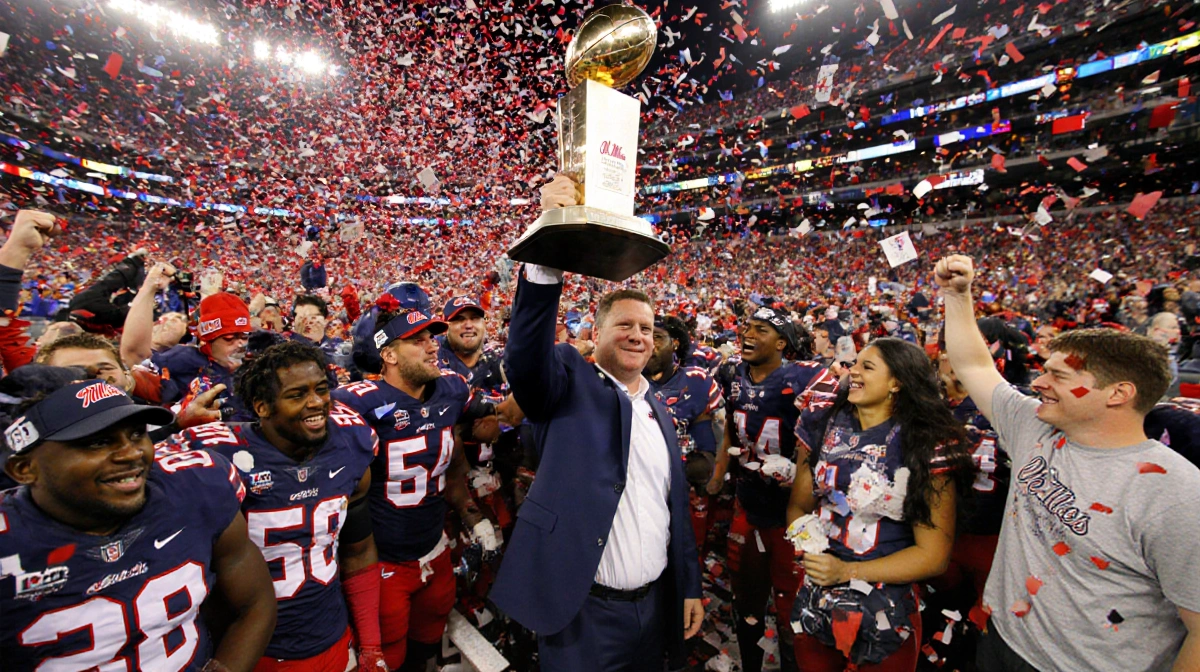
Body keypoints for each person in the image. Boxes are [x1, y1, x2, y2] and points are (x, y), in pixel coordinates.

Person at [935, 254, 1200, 672]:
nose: (1038, 382)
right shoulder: (1034, 426)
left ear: (1118, 394)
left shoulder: (1176, 492)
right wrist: (957, 295)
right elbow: (973, 364)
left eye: (1059, 376)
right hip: (1003, 639)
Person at [490, 173, 704, 672]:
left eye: (647, 328)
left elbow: (673, 507)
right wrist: (548, 246)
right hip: (582, 614)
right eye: (624, 325)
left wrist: (690, 585)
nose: (638, 335)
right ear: (596, 332)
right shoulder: (568, 380)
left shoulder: (658, 408)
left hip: (654, 609)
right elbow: (525, 360)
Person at [0, 378, 277, 671]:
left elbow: (254, 602)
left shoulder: (196, 486)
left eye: (136, 434)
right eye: (98, 442)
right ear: (25, 468)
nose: (132, 453)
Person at [167, 341, 387, 671]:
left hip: (332, 633)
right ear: (262, 407)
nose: (317, 402)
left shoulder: (350, 442)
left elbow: (359, 550)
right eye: (297, 395)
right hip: (253, 651)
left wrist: (370, 643)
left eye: (321, 389)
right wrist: (173, 426)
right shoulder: (215, 455)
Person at [785, 337, 974, 671]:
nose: (853, 371)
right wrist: (809, 548)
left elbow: (933, 556)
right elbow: (798, 507)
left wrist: (847, 571)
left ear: (896, 382)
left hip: (886, 607)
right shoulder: (823, 422)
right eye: (855, 363)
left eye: (867, 366)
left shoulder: (925, 440)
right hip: (818, 597)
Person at [332, 298, 494, 671]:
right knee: (390, 657)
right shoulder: (356, 403)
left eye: (431, 338)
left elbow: (480, 430)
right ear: (388, 355)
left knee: (428, 646)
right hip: (384, 561)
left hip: (435, 548)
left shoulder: (451, 389)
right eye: (417, 341)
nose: (432, 347)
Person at [707, 305, 837, 672]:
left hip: (791, 514)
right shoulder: (731, 372)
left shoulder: (806, 377)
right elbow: (730, 429)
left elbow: (823, 441)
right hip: (748, 504)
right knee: (747, 599)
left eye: (761, 330)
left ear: (782, 343)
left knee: (792, 606)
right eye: (747, 327)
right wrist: (718, 474)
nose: (748, 334)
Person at [645, 315, 723, 557]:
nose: (649, 343)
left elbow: (710, 440)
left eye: (657, 337)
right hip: (638, 490)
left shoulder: (696, 381)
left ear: (675, 343)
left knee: (686, 554)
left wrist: (701, 465)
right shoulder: (626, 380)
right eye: (645, 335)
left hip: (682, 490)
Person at [152, 291, 252, 409]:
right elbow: (142, 366)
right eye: (229, 338)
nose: (240, 344)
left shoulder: (251, 369)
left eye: (244, 337)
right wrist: (155, 344)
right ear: (209, 339)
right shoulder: (184, 358)